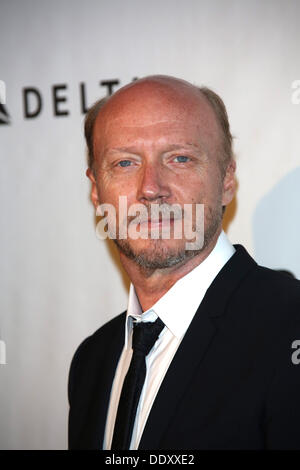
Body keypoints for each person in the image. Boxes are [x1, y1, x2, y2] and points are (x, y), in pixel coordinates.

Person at [68, 75, 300, 450]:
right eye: (125, 162)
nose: (151, 187)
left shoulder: (289, 325)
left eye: (180, 158)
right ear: (96, 190)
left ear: (226, 180)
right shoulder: (92, 361)